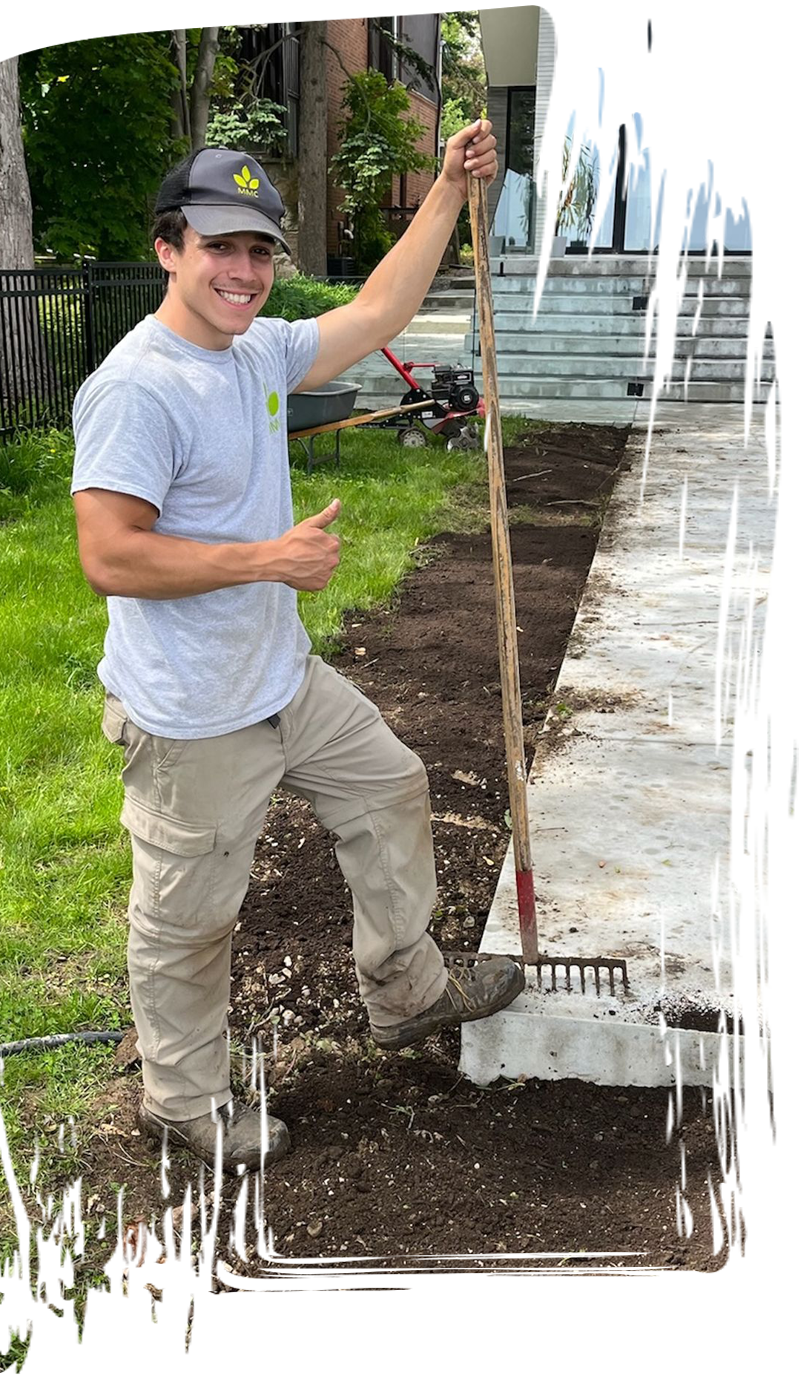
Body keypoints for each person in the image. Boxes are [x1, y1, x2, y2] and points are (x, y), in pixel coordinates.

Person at [70, 121, 524, 1173]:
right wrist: (263, 561)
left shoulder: (258, 349)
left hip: (278, 678)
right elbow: (110, 554)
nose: (242, 270)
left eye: (259, 250)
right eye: (219, 247)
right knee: (192, 918)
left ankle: (405, 985)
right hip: (192, 714)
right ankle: (181, 1098)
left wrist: (450, 192)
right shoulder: (139, 387)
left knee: (388, 786)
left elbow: (376, 312)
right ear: (169, 249)